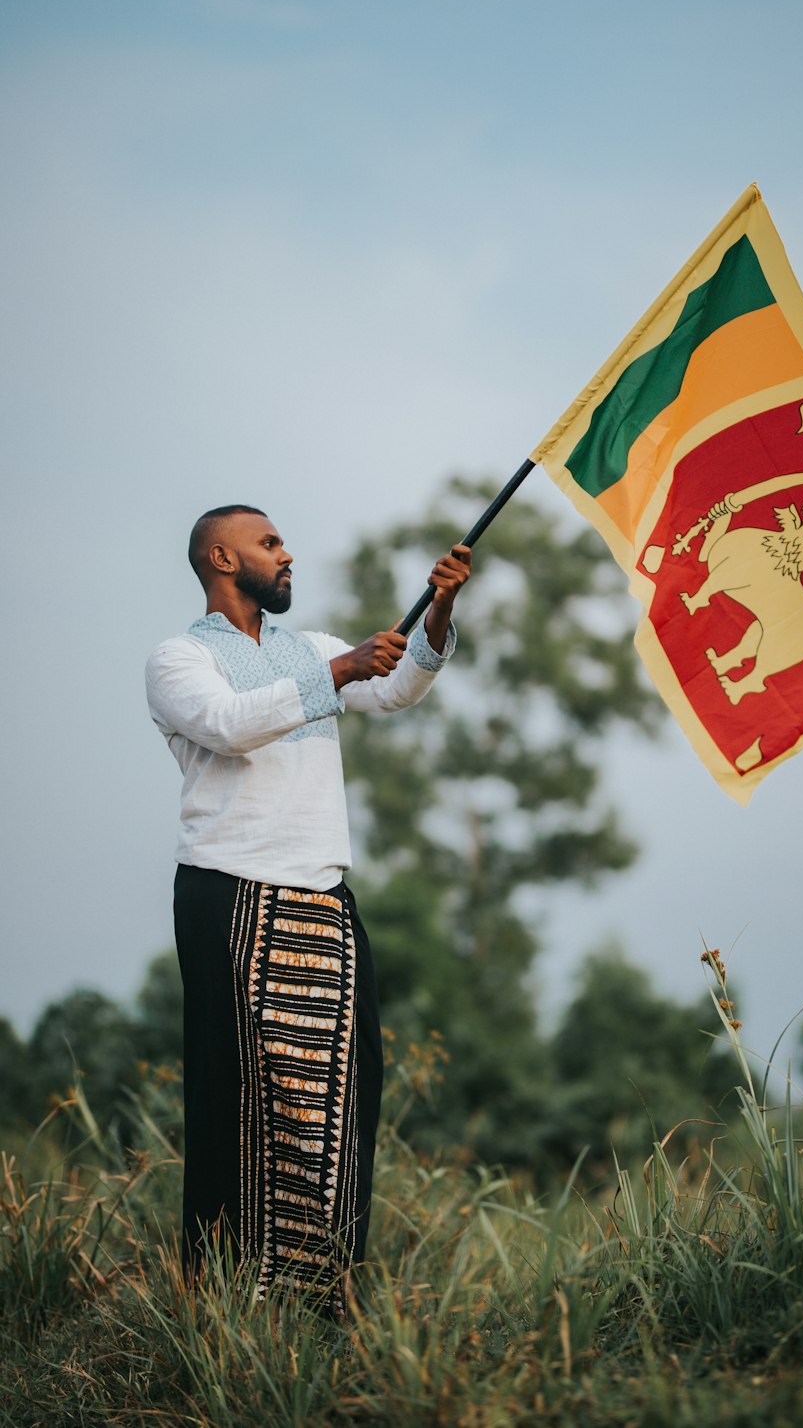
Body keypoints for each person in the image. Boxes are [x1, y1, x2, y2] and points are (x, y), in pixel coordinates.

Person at [145, 504, 471, 1302]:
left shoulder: (310, 649)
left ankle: (319, 1298)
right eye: (269, 543)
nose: (287, 554)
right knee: (241, 1100)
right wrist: (337, 674)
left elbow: (394, 691)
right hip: (229, 895)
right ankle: (228, 1302)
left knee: (333, 1100)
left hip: (323, 899)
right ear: (222, 558)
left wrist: (438, 609)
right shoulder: (181, 658)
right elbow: (227, 727)